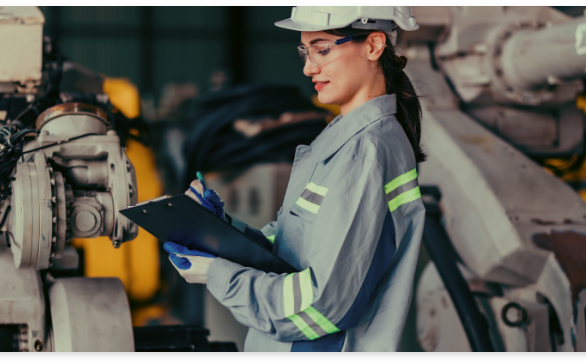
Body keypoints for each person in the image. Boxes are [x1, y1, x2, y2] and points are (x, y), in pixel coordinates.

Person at [164, 6, 427, 352]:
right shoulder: (346, 140)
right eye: (305, 51)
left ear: (374, 46)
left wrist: (217, 275)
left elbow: (320, 308)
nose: (308, 67)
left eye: (323, 49)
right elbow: (295, 255)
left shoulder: (366, 152)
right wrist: (222, 232)